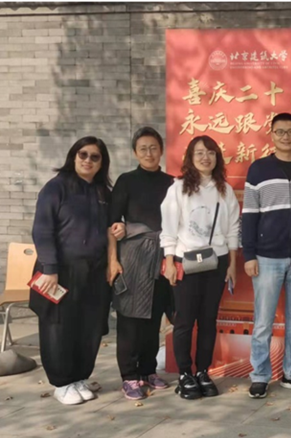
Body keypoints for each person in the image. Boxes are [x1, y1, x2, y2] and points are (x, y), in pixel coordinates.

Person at [31, 136, 122, 405]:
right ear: (73, 156)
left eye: (95, 157)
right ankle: (62, 382)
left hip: (95, 271)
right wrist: (50, 268)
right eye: (83, 154)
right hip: (60, 271)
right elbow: (42, 230)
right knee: (59, 326)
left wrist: (120, 230)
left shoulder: (104, 193)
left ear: (102, 163)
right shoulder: (56, 188)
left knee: (90, 326)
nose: (88, 160)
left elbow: (112, 228)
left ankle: (80, 377)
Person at [242, 113, 291, 399]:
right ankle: (260, 376)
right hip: (266, 257)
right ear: (271, 135)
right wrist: (249, 254)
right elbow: (249, 215)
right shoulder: (258, 169)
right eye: (280, 132)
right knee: (263, 321)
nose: (286, 137)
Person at [160, 135, 240, 400]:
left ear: (217, 157)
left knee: (208, 321)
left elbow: (233, 230)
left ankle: (203, 371)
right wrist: (169, 262)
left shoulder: (224, 190)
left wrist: (232, 264)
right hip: (186, 261)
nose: (206, 158)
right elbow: (168, 229)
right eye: (199, 153)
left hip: (217, 262)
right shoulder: (178, 188)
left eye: (211, 153)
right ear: (190, 159)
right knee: (184, 321)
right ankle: (185, 374)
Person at [108, 127, 174, 400]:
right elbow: (112, 224)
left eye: (153, 147)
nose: (149, 153)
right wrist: (113, 261)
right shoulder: (126, 181)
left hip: (163, 255)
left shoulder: (172, 183)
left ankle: (148, 370)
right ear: (135, 152)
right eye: (143, 148)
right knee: (130, 318)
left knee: (154, 315)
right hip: (133, 256)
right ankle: (129, 375)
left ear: (161, 150)